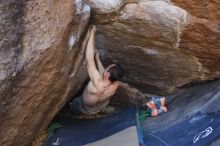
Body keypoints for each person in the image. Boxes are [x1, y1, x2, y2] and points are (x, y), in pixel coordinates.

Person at [69, 26, 124, 115]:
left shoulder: (96, 82)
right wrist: (97, 59)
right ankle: (101, 110)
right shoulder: (116, 84)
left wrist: (92, 32)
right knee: (101, 103)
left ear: (107, 75)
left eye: (107, 68)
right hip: (101, 105)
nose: (105, 68)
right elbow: (105, 74)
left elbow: (89, 59)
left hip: (84, 107)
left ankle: (72, 109)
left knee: (75, 104)